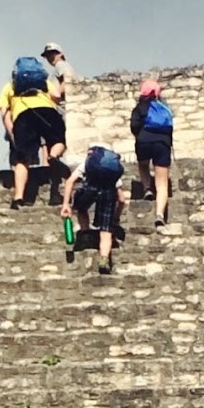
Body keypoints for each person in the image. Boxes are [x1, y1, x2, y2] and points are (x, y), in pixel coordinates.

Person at [0, 56, 67, 210]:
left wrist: (12, 134)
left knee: (23, 159)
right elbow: (56, 96)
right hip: (48, 112)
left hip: (24, 115)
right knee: (58, 141)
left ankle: (19, 197)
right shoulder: (43, 83)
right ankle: (54, 157)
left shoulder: (10, 86)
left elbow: (4, 113)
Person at [64, 145, 127, 276]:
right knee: (106, 230)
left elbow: (70, 181)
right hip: (108, 193)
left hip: (90, 189)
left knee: (81, 207)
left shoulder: (87, 163)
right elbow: (121, 199)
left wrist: (66, 204)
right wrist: (115, 218)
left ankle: (85, 233)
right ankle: (104, 259)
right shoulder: (111, 170)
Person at [130, 74, 175, 226]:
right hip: (162, 144)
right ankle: (160, 215)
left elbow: (134, 126)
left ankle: (147, 187)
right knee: (162, 183)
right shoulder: (164, 108)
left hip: (143, 141)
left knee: (143, 165)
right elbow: (170, 128)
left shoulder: (139, 107)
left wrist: (140, 135)